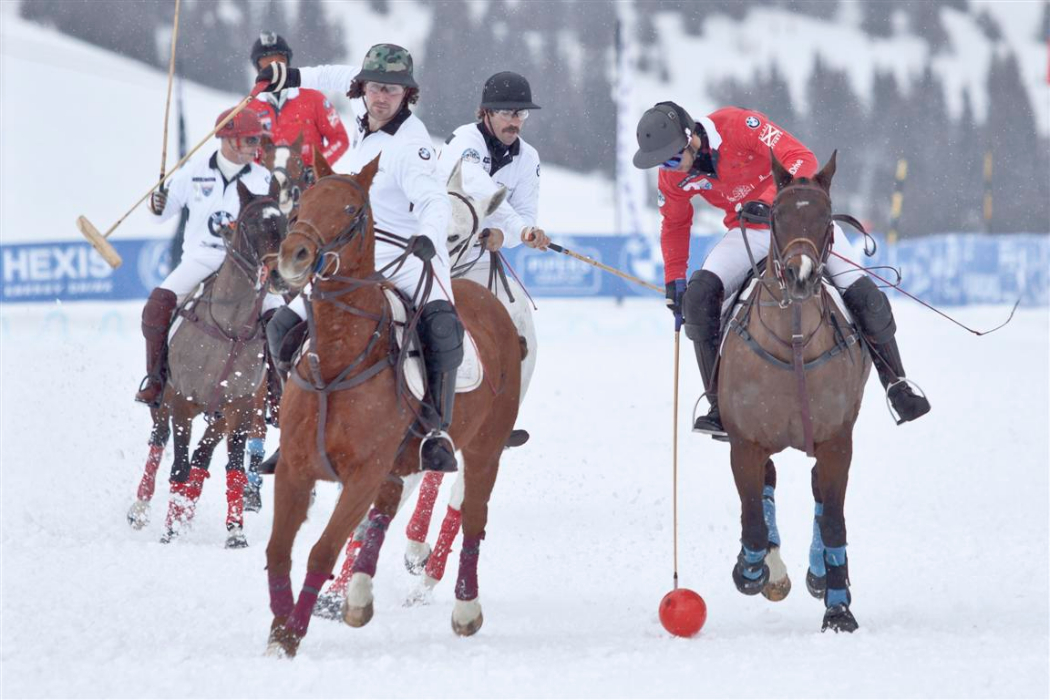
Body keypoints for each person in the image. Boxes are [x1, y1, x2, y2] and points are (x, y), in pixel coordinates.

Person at [633, 102, 931, 437]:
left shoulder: (737, 125)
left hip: (799, 223)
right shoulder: (671, 177)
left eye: (674, 159)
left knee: (861, 291)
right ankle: (719, 405)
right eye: (662, 163)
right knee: (699, 296)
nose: (670, 169)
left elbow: (802, 158)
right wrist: (674, 279)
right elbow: (674, 224)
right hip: (749, 233)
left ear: (692, 139)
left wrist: (770, 197)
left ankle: (897, 384)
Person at [254, 43, 460, 472]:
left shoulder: (412, 146)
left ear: (407, 95)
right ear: (363, 88)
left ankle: (434, 432)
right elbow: (331, 75)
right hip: (357, 252)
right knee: (281, 327)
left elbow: (435, 202)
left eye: (392, 90)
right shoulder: (363, 112)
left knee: (441, 330)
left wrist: (427, 235)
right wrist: (288, 77)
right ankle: (290, 422)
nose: (381, 97)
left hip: (408, 253)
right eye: (374, 88)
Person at [135, 107, 275, 406]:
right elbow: (161, 215)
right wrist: (157, 203)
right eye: (249, 140)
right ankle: (156, 380)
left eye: (256, 140)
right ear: (227, 139)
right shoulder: (193, 171)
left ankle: (275, 393)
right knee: (156, 306)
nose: (255, 147)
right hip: (201, 258)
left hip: (246, 267)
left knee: (277, 317)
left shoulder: (263, 180)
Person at [435, 71, 549, 404]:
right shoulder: (464, 140)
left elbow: (526, 215)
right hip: (433, 255)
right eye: (507, 113)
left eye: (521, 113)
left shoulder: (529, 159)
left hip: (474, 261)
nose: (515, 121)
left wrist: (506, 234)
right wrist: (520, 229)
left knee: (520, 320)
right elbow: (477, 186)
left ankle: (506, 412)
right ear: (485, 112)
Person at [245, 31, 349, 169]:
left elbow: (339, 139)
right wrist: (263, 174)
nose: (273, 69)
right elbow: (244, 151)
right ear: (258, 68)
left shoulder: (314, 98)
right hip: (268, 187)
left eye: (279, 61)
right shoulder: (247, 108)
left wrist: (318, 168)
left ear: (287, 63)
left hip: (311, 187)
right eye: (266, 63)